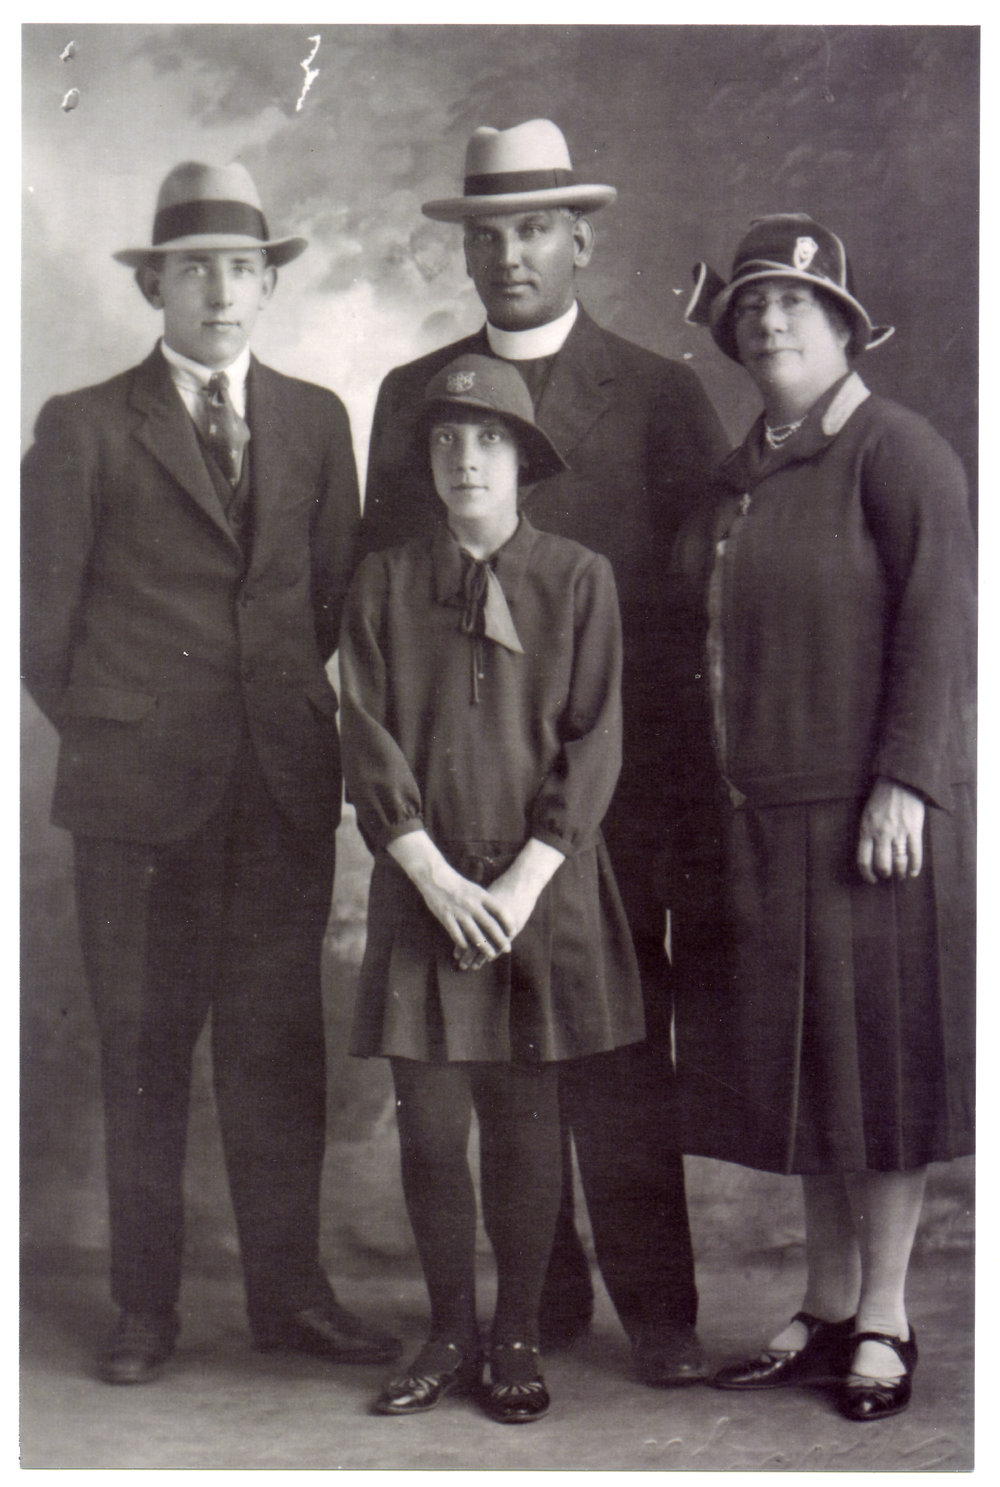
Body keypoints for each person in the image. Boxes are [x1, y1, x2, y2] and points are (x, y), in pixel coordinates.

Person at [361, 118, 727, 1386]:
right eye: (488, 232)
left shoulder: (660, 391)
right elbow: (386, 602)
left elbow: (690, 619)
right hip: (459, 799)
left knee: (619, 1059)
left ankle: (661, 1314)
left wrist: (663, 809)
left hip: (607, 795)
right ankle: (534, 1305)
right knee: (492, 1059)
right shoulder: (419, 399)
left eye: (533, 228)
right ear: (465, 249)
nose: (509, 252)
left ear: (580, 237)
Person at [20, 161, 400, 1384]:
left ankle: (290, 1297)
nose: (224, 291)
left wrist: (276, 710)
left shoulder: (314, 418)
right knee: (142, 1047)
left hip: (279, 791)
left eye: (245, 268)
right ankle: (145, 1306)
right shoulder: (82, 425)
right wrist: (129, 727)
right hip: (137, 804)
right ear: (157, 286)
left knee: (276, 1049)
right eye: (198, 269)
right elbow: (40, 628)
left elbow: (332, 593)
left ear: (269, 282)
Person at [671, 213, 975, 1420]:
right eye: (752, 306)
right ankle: (824, 1302)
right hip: (759, 824)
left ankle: (887, 1315)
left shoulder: (899, 452)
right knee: (808, 1078)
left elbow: (943, 629)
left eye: (798, 303)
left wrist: (906, 777)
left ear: (846, 327)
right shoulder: (741, 475)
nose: (772, 320)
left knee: (880, 1073)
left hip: (869, 824)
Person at [340, 354, 645, 1423]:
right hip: (426, 891)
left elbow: (594, 738)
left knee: (522, 1122)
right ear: (426, 462)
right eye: (444, 441)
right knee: (428, 1126)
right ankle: (447, 1327)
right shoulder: (382, 581)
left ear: (523, 459)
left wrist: (520, 884)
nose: (465, 458)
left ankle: (515, 1331)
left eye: (488, 439)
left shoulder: (577, 577)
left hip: (536, 898)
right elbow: (366, 735)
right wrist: (423, 869)